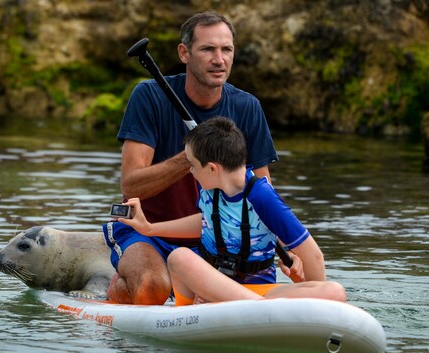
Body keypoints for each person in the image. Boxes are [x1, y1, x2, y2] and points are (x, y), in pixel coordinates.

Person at [104, 11, 295, 304]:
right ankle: (120, 285)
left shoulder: (247, 107)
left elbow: (261, 191)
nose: (219, 59)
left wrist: (287, 245)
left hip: (216, 238)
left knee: (225, 299)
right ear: (185, 53)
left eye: (226, 49)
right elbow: (132, 186)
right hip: (148, 232)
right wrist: (193, 155)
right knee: (150, 287)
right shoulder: (149, 97)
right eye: (208, 49)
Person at [118, 116, 346, 305]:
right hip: (215, 287)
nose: (190, 172)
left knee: (334, 292)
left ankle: (252, 309)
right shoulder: (209, 189)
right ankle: (252, 309)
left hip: (260, 292)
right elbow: (205, 221)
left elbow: (313, 254)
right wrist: (149, 229)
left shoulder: (262, 196)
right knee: (179, 257)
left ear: (212, 168)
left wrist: (320, 308)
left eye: (192, 165)